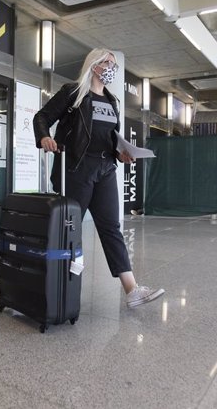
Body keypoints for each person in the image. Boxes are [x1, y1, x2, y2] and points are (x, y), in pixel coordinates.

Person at [33, 48, 165, 308]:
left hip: (105, 169)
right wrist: (44, 137)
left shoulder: (112, 100)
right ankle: (55, 286)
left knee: (110, 228)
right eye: (107, 62)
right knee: (68, 229)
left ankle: (132, 290)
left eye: (114, 64)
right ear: (94, 65)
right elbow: (42, 117)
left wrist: (122, 154)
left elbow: (110, 137)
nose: (111, 68)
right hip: (75, 169)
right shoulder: (73, 92)